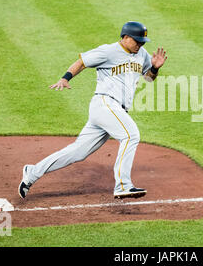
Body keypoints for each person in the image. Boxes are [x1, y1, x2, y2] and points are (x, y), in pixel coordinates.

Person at [18, 21, 167, 199]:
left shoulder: (141, 54)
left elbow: (148, 79)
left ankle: (32, 172)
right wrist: (65, 78)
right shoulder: (108, 51)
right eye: (137, 41)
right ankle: (123, 186)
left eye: (142, 42)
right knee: (131, 135)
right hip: (105, 104)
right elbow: (82, 62)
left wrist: (155, 69)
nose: (140, 45)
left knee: (78, 152)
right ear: (125, 37)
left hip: (114, 111)